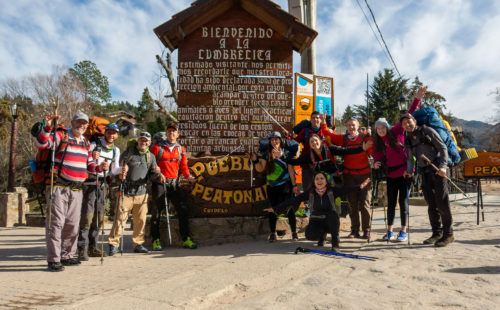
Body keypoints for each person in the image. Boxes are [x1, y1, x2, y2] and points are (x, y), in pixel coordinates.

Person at [35, 112, 107, 272]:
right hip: (58, 186)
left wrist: (99, 168)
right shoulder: (62, 135)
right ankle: (54, 259)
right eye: (79, 122)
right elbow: (42, 143)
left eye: (84, 123)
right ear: (72, 122)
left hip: (77, 188)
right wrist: (47, 127)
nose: (81, 125)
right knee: (56, 223)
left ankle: (67, 255)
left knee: (73, 225)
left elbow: (89, 165)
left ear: (87, 126)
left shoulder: (86, 143)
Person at [264, 171, 371, 251]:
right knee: (310, 235)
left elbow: (346, 190)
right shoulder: (310, 193)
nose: (319, 181)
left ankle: (335, 243)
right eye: (317, 179)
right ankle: (322, 235)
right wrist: (275, 208)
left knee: (333, 216)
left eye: (322, 178)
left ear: (326, 181)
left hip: (330, 219)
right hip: (316, 219)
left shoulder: (332, 191)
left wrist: (360, 187)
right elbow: (292, 200)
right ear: (314, 182)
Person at [372, 87, 427, 242]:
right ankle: (389, 231)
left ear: (387, 128)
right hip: (390, 174)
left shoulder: (395, 131)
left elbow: (407, 114)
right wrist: (376, 164)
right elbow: (376, 157)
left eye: (383, 127)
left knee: (403, 202)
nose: (381, 130)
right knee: (390, 203)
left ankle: (403, 231)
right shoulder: (377, 143)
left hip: (405, 172)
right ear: (376, 130)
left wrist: (417, 99)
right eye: (378, 128)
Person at [401, 113, 455, 247]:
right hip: (424, 171)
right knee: (431, 204)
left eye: (409, 121)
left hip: (438, 169)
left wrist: (443, 167)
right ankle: (437, 233)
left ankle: (448, 234)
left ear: (414, 121)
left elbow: (442, 148)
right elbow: (409, 159)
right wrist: (409, 171)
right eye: (404, 123)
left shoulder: (427, 131)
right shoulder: (407, 140)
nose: (407, 125)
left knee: (442, 203)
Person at [108, 131, 161, 255]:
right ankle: (113, 244)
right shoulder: (128, 153)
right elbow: (117, 170)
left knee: (140, 220)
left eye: (146, 140)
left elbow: (152, 176)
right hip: (126, 191)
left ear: (149, 143)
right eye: (141, 140)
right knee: (120, 219)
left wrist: (157, 173)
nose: (143, 142)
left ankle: (138, 243)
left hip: (141, 193)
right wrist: (121, 175)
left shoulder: (151, 156)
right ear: (138, 140)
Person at [322, 116, 373, 239]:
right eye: (349, 125)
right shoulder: (343, 139)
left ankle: (366, 230)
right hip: (349, 175)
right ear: (346, 126)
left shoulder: (364, 137)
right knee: (352, 204)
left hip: (364, 174)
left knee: (365, 203)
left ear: (358, 125)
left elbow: (372, 151)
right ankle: (354, 230)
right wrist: (324, 123)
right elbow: (328, 134)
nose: (351, 127)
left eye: (353, 125)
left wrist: (370, 136)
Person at [77, 123, 121, 261]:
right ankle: (81, 249)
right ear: (105, 132)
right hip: (90, 184)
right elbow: (84, 163)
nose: (111, 135)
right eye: (109, 132)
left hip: (103, 185)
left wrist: (123, 170)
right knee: (86, 218)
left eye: (114, 133)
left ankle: (92, 247)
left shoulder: (116, 150)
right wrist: (97, 164)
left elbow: (114, 170)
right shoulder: (94, 145)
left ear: (117, 135)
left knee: (98, 217)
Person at [150, 123, 197, 250]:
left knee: (183, 210)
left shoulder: (181, 150)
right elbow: (151, 165)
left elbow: (184, 167)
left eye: (174, 131)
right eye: (169, 131)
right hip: (159, 183)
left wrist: (189, 177)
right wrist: (158, 173)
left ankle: (186, 239)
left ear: (178, 134)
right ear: (166, 133)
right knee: (156, 213)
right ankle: (156, 240)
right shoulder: (156, 148)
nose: (171, 133)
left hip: (174, 183)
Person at [250, 131, 300, 242]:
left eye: (276, 139)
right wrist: (255, 161)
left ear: (281, 141)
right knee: (272, 209)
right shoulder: (266, 154)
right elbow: (260, 168)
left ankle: (294, 233)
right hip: (272, 186)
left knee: (289, 208)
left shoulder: (287, 153)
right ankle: (272, 233)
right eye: (272, 140)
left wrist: (294, 185)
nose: (274, 141)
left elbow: (291, 171)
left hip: (286, 184)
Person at [285, 133, 372, 185]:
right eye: (311, 142)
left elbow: (345, 151)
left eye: (316, 140)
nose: (314, 143)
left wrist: (361, 149)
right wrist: (281, 157)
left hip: (334, 180)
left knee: (336, 202)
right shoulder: (309, 156)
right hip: (320, 183)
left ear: (320, 141)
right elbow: (295, 162)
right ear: (310, 145)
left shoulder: (330, 149)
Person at [294, 111, 331, 189]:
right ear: (310, 120)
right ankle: (308, 201)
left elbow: (331, 144)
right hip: (307, 165)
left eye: (317, 118)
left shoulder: (325, 130)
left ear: (320, 120)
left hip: (322, 165)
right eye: (313, 118)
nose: (315, 120)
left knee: (322, 188)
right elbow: (295, 141)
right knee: (308, 189)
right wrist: (288, 138)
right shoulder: (305, 131)